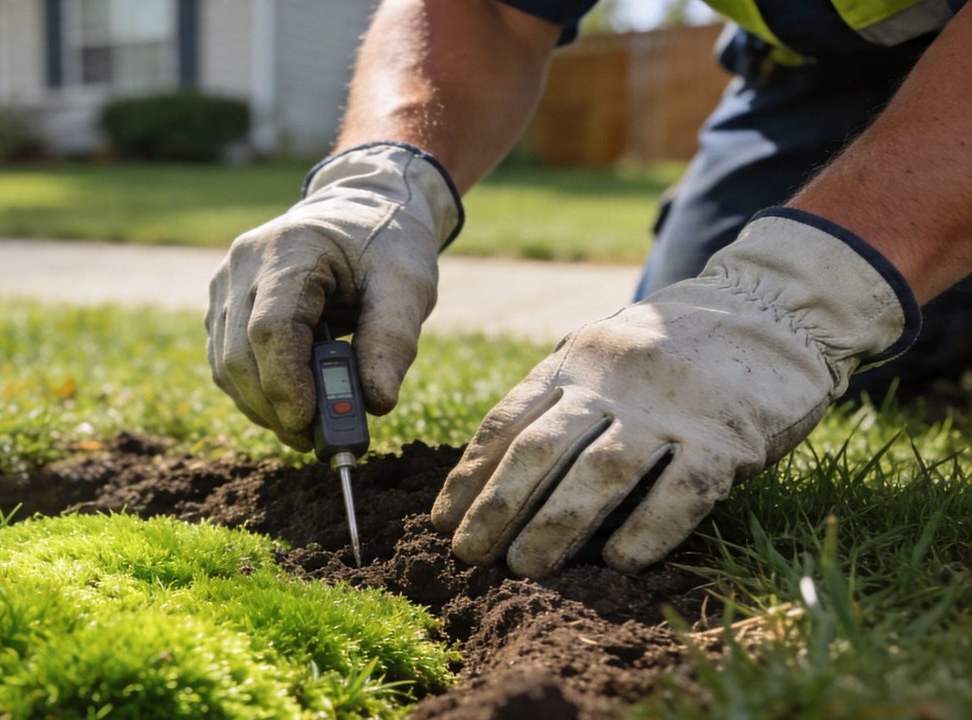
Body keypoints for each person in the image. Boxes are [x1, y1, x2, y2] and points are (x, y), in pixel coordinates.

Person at [206, 0, 972, 578]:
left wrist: (793, 300)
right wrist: (379, 181)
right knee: (683, 361)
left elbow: (802, 293)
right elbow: (490, 15)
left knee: (797, 313)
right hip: (809, 77)